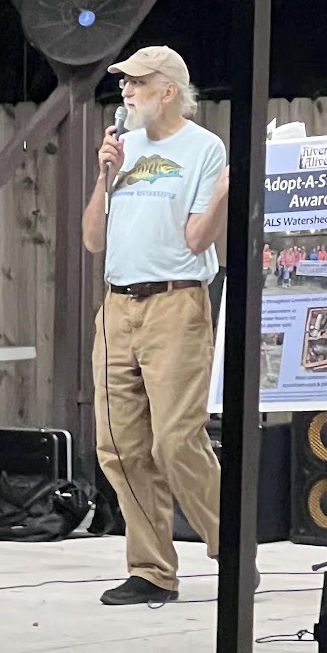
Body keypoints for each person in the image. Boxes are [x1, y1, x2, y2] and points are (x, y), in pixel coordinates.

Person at [81, 45, 233, 605]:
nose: (126, 92)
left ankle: (230, 548)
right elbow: (93, 239)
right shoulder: (122, 149)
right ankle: (151, 570)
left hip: (175, 304)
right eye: (124, 84)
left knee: (174, 441)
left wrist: (221, 196)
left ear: (168, 90)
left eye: (137, 84)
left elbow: (197, 240)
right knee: (118, 447)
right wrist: (105, 175)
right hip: (117, 305)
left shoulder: (204, 148)